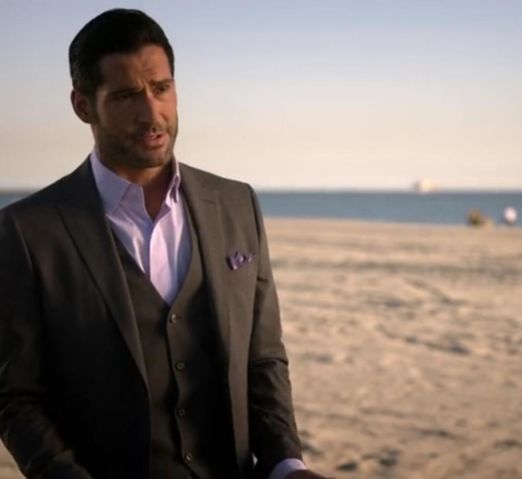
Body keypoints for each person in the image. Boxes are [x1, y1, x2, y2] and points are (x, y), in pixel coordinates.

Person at [0, 9, 331, 479]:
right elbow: (15, 398)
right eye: (126, 96)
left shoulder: (236, 204)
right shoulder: (27, 231)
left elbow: (262, 360)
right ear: (83, 106)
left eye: (161, 88)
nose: (152, 113)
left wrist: (286, 465)